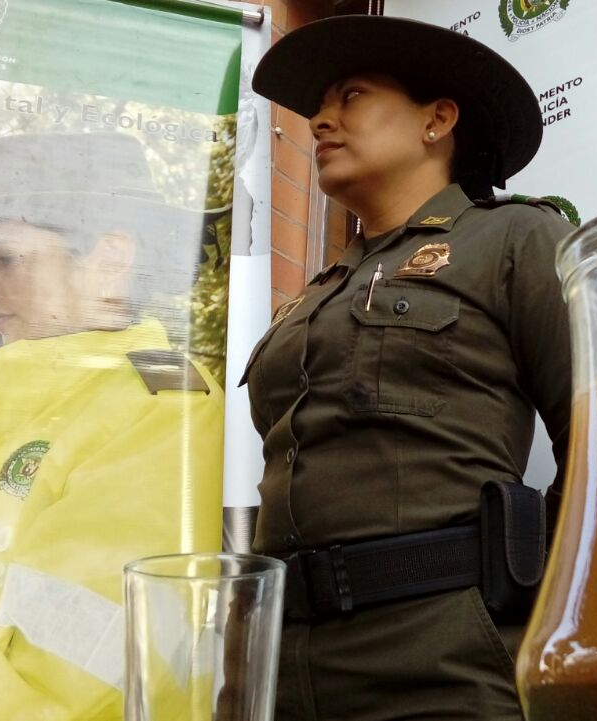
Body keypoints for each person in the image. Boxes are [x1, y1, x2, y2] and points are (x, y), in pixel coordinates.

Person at [245, 15, 576, 720]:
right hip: (276, 662)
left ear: (438, 119)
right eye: (318, 109)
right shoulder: (310, 296)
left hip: (438, 660)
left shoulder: (515, 238)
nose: (319, 121)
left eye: (351, 96)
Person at [0, 132, 225, 721]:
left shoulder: (161, 411)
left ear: (111, 258)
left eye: (4, 256)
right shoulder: (10, 391)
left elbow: (64, 680)